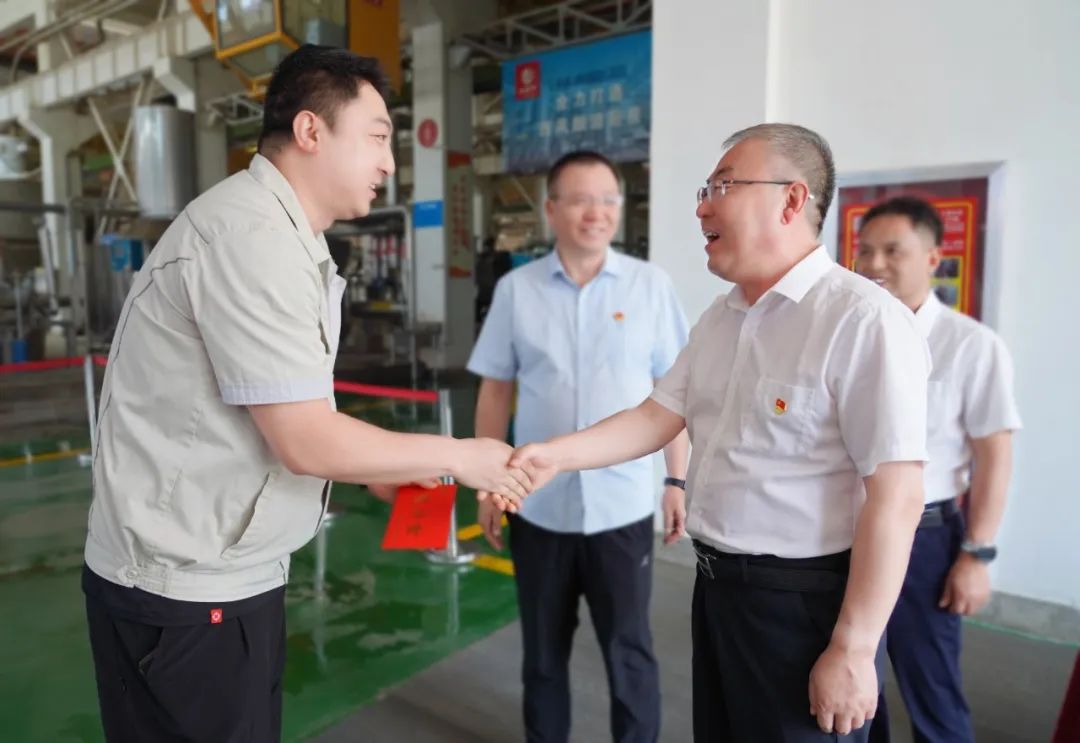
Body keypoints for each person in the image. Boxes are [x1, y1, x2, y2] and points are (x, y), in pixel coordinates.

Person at [82, 45, 530, 743]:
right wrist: (461, 454)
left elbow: (285, 409)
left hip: (221, 572)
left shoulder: (281, 234)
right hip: (184, 589)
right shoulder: (249, 237)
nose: (389, 163)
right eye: (377, 137)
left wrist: (381, 470)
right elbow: (305, 440)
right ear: (311, 130)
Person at [502, 123, 932, 742]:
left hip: (805, 606)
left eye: (723, 187)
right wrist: (552, 456)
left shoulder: (862, 321)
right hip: (719, 591)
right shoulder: (723, 316)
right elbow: (655, 416)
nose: (702, 207)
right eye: (705, 190)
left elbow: (898, 497)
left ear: (791, 200)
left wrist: (854, 647)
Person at [468, 149, 690, 743]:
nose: (597, 212)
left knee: (629, 651)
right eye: (581, 200)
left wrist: (676, 480)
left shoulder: (650, 287)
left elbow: (676, 395)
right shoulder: (517, 291)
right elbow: (495, 390)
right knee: (543, 655)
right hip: (538, 508)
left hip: (622, 509)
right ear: (552, 209)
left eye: (608, 200)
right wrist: (489, 486)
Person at [855, 196, 1021, 743]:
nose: (874, 264)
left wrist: (976, 554)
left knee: (932, 692)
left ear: (933, 257)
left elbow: (994, 456)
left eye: (892, 251)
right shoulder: (851, 334)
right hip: (847, 533)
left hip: (924, 542)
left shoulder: (971, 346)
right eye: (865, 250)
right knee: (856, 691)